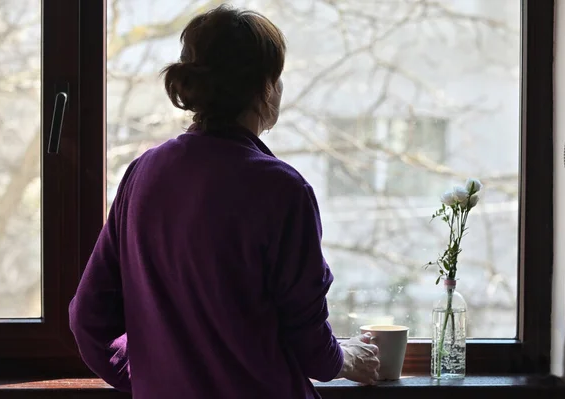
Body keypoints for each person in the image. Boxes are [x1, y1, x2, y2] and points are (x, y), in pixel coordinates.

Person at [69, 5, 380, 399]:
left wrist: (155, 377)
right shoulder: (282, 190)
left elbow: (87, 319)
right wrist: (348, 360)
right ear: (264, 87)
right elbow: (310, 345)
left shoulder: (143, 174)